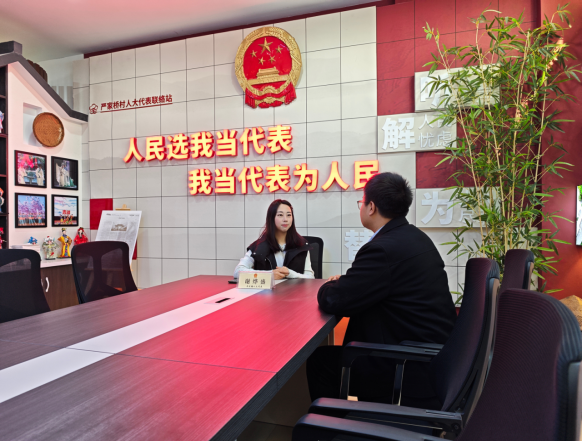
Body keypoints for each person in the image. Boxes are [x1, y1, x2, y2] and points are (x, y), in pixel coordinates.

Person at [306, 172, 457, 409]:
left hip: (405, 365)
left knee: (321, 362)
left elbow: (334, 300)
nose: (362, 207)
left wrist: (328, 285)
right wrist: (347, 282)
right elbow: (378, 283)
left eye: (362, 202)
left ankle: (331, 426)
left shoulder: (382, 249)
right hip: (433, 357)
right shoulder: (414, 238)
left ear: (371, 207)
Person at [234, 199, 314, 280]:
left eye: (289, 215)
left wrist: (290, 274)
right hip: (268, 288)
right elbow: (238, 271)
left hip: (294, 288)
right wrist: (269, 275)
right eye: (280, 215)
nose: (285, 219)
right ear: (271, 218)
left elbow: (311, 277)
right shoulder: (258, 247)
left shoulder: (301, 245)